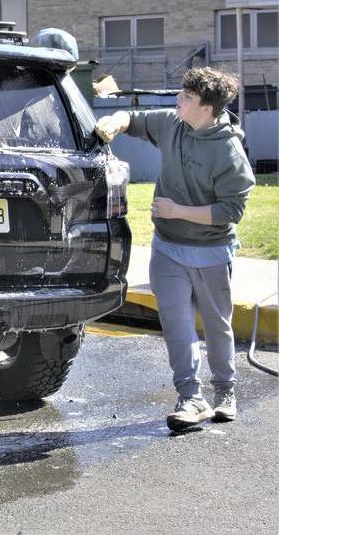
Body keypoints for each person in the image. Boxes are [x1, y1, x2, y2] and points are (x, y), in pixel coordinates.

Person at [95, 67, 256, 432]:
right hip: (167, 248)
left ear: (207, 108)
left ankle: (225, 392)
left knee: (216, 326)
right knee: (177, 326)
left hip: (211, 253)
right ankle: (190, 396)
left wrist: (177, 211)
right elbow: (132, 119)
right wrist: (114, 122)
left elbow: (231, 212)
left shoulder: (229, 153)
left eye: (186, 97)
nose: (177, 101)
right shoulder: (173, 124)